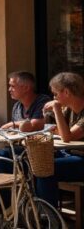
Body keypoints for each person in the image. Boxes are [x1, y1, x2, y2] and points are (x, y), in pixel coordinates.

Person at [35, 72, 84, 206]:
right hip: (69, 153)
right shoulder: (69, 109)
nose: (54, 98)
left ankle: (49, 217)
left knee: (46, 169)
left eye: (56, 94)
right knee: (29, 161)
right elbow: (55, 130)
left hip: (81, 159)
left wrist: (56, 109)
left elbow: (67, 137)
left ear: (66, 92)